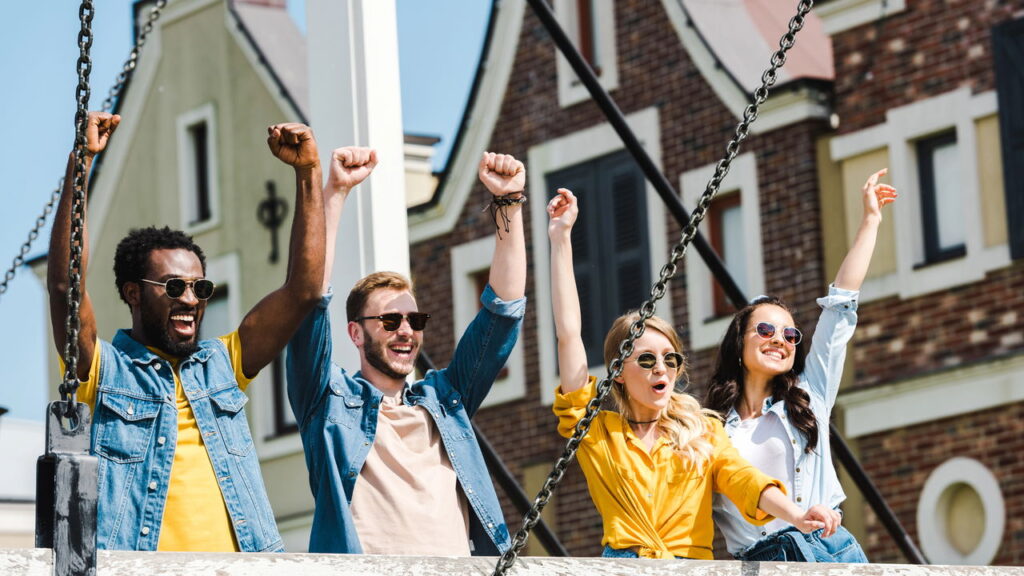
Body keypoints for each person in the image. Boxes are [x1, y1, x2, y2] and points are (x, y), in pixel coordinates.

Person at [47, 111, 327, 551]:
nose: (192, 299)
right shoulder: (103, 371)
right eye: (174, 286)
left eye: (201, 287)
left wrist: (308, 172)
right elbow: (66, 287)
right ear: (133, 293)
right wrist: (80, 162)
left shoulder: (223, 364)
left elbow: (304, 291)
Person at [546, 188, 839, 559]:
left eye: (671, 360)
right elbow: (568, 335)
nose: (662, 369)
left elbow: (745, 481)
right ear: (618, 371)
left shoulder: (702, 430)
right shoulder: (598, 433)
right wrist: (561, 239)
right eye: (647, 360)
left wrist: (798, 515)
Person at [286, 150, 527, 555]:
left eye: (414, 321)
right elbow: (308, 302)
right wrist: (335, 194)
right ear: (356, 333)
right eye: (390, 321)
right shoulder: (327, 402)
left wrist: (508, 204)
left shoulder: (446, 400)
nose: (406, 332)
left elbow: (502, 312)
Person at [705, 169, 897, 562]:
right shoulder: (710, 428)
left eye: (791, 335)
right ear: (738, 342)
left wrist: (871, 220)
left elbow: (841, 304)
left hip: (827, 553)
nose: (780, 340)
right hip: (759, 562)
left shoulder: (811, 395)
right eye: (765, 329)